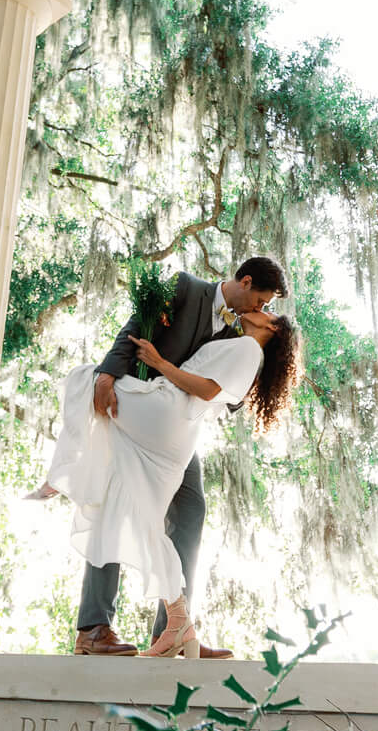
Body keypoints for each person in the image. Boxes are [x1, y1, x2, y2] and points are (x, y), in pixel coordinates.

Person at [51, 255, 290, 656]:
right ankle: (94, 628)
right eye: (261, 300)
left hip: (173, 431)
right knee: (114, 503)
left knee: (191, 510)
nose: (261, 310)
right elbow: (134, 329)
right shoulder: (186, 288)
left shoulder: (239, 333)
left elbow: (223, 393)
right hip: (137, 412)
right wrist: (108, 377)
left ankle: (173, 632)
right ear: (245, 282)